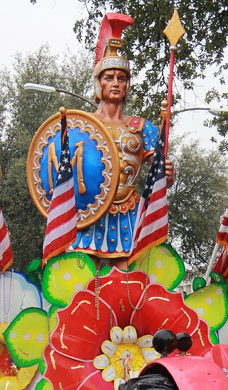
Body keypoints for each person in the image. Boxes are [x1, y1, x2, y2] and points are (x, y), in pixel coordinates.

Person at [69, 14, 174, 268]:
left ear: (127, 85)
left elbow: (160, 175)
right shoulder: (82, 127)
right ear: (99, 83)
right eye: (109, 77)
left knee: (128, 285)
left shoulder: (142, 127)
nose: (115, 83)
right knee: (85, 285)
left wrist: (168, 173)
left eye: (121, 78)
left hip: (129, 214)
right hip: (90, 215)